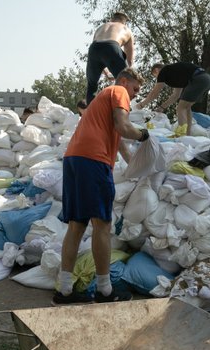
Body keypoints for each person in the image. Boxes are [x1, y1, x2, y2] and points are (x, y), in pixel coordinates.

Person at [55, 68, 149, 304]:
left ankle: (64, 290)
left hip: (74, 159)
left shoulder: (102, 100)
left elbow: (120, 144)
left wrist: (137, 168)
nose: (135, 95)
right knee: (103, 225)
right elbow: (124, 127)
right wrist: (144, 136)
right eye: (135, 89)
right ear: (124, 81)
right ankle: (105, 290)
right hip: (93, 161)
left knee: (77, 225)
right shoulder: (118, 91)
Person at [137, 62, 210, 137]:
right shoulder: (175, 73)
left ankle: (181, 135)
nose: (157, 78)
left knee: (180, 108)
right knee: (187, 108)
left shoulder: (163, 71)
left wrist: (141, 104)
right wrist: (161, 108)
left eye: (155, 76)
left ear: (156, 70)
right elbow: (175, 95)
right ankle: (188, 134)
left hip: (199, 79)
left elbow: (155, 93)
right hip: (207, 80)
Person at [85, 12, 134, 104]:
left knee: (92, 85)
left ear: (112, 19)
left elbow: (99, 53)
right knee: (125, 82)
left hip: (94, 48)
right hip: (112, 47)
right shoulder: (126, 29)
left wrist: (107, 73)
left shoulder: (100, 28)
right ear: (125, 22)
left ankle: (90, 112)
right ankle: (122, 110)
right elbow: (130, 60)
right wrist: (127, 75)